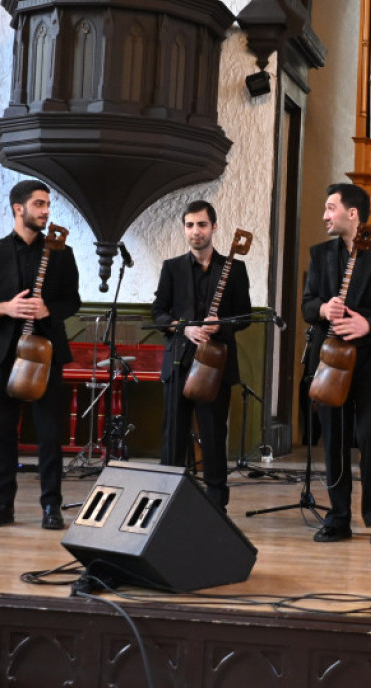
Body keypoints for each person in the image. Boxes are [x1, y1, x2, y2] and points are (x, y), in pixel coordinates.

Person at [301, 183, 371, 546]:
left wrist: (369, 324)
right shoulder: (319, 255)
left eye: (330, 207)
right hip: (329, 360)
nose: (324, 215)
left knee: (370, 435)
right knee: (332, 439)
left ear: (353, 213)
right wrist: (321, 308)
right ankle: (338, 518)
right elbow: (306, 306)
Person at [0, 179, 81, 530]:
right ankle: (3, 503)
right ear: (19, 208)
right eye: (39, 204)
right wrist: (5, 308)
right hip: (4, 352)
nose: (46, 210)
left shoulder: (62, 252)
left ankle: (52, 506)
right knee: (3, 431)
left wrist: (49, 309)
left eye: (48, 204)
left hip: (45, 350)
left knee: (49, 432)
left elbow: (72, 300)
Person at [152, 200, 251, 510]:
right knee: (174, 436)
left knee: (212, 435)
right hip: (179, 361)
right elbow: (158, 313)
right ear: (185, 229)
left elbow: (244, 316)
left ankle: (216, 504)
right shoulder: (172, 268)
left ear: (214, 227)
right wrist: (184, 328)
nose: (196, 231)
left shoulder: (234, 269)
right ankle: (169, 501)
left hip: (216, 365)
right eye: (190, 225)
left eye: (202, 225)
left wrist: (218, 326)